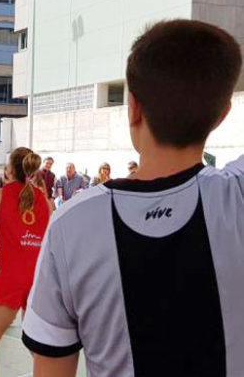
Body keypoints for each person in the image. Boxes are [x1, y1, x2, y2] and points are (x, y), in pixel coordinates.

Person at [23, 20, 244, 376]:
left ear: (133, 108)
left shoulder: (72, 226)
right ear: (220, 117)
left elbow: (51, 368)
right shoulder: (238, 197)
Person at [0, 148, 51, 377]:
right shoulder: (45, 201)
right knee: (36, 346)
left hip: (12, 279)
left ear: (9, 169)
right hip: (40, 279)